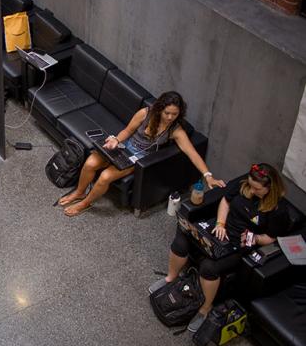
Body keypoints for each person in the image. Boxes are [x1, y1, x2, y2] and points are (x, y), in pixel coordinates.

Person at [149, 163, 289, 332]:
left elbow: (271, 238)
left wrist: (256, 238)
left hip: (239, 244)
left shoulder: (278, 211)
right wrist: (220, 223)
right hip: (219, 229)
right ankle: (171, 278)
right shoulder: (243, 185)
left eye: (257, 188)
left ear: (270, 188)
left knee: (209, 267)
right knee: (183, 237)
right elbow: (225, 201)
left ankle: (205, 308)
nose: (252, 190)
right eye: (250, 185)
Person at [58, 91, 225, 217]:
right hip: (124, 147)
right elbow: (128, 130)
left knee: (105, 177)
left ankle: (85, 203)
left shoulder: (176, 130)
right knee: (90, 163)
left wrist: (208, 175)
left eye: (174, 114)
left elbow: (192, 153)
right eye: (167, 113)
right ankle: (79, 192)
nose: (170, 117)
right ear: (160, 108)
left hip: (138, 158)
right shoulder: (145, 113)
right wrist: (116, 140)